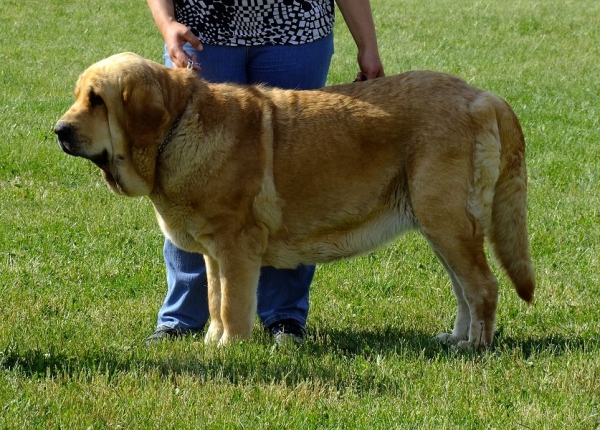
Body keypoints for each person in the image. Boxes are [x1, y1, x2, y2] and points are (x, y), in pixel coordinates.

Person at [145, 0, 384, 345]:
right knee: (187, 180)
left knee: (294, 181)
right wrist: (167, 23)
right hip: (202, 33)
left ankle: (284, 317)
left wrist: (368, 46)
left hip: (296, 31)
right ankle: (183, 318)